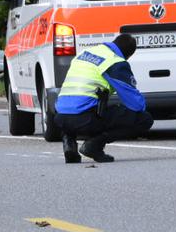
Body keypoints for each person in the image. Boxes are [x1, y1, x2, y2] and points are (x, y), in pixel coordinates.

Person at [54, 32, 153, 163]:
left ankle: (69, 143)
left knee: (83, 105)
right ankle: (93, 146)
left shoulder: (85, 54)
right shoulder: (115, 62)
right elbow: (135, 104)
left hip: (60, 117)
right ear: (128, 55)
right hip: (84, 119)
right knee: (144, 119)